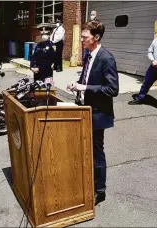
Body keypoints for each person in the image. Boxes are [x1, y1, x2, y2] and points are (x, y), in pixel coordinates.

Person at [67, 20, 119, 206]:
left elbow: (112, 89)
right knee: (85, 149)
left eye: (84, 37)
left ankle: (100, 191)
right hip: (84, 109)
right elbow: (86, 78)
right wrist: (77, 86)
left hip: (97, 114)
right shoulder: (89, 55)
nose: (81, 39)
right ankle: (87, 181)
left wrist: (85, 87)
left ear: (96, 37)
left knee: (97, 152)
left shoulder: (107, 58)